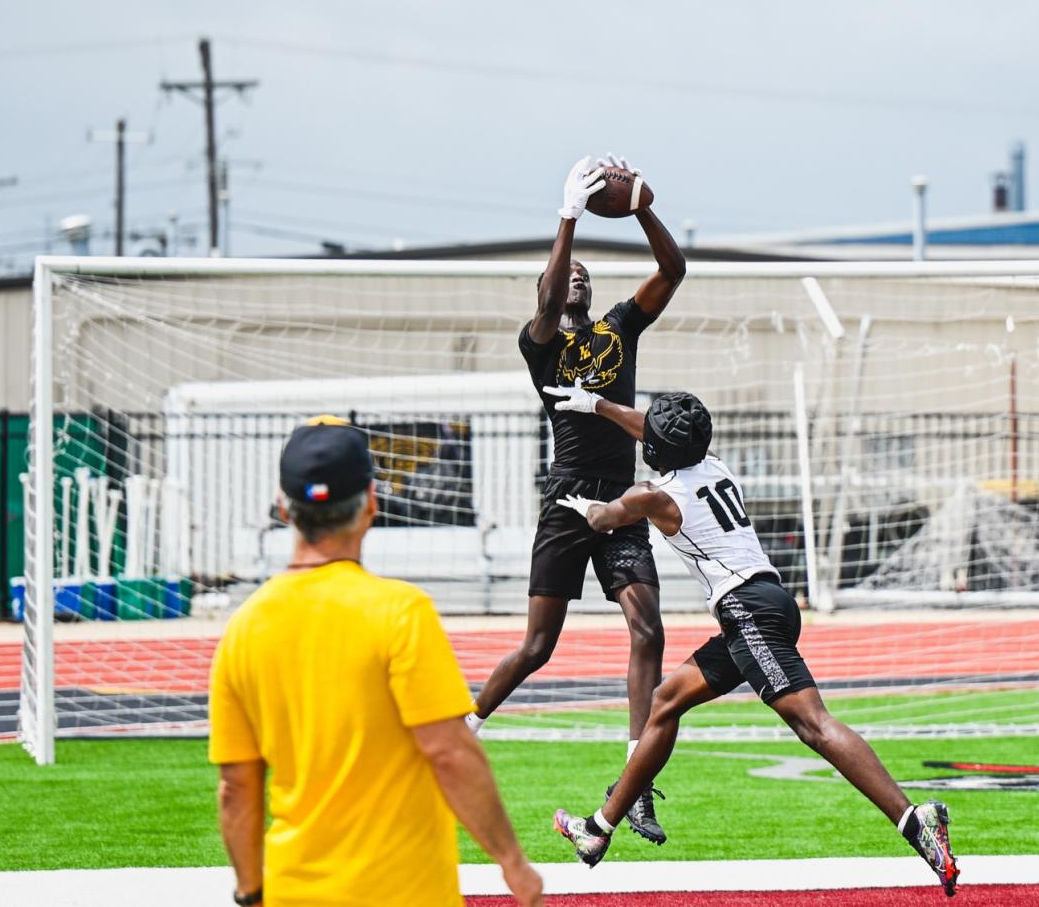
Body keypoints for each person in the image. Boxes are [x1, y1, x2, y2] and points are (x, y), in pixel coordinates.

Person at [543, 388, 960, 897]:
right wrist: (600, 407)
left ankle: (914, 820)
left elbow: (605, 518)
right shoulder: (714, 466)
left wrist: (586, 503)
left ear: (655, 447)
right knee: (664, 703)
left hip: (748, 612)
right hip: (766, 602)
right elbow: (654, 432)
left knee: (814, 725)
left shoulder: (656, 496)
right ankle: (597, 830)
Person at [209, 416, 544, 907]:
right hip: (403, 889)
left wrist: (251, 892)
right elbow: (448, 751)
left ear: (283, 507)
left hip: (294, 890)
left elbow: (236, 787)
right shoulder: (400, 612)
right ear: (371, 501)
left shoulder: (243, 628)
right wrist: (512, 863)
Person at [466, 153, 687, 845]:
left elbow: (673, 273)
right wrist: (566, 216)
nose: (578, 278)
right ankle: (463, 730)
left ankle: (636, 783)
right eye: (568, 275)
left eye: (586, 272)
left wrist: (644, 203)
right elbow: (547, 295)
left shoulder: (618, 327)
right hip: (566, 502)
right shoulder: (541, 345)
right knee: (537, 646)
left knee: (648, 629)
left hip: (620, 502)